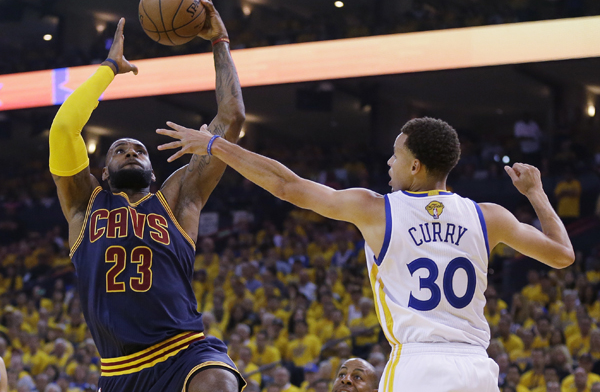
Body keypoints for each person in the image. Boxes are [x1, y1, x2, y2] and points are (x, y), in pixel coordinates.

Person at [157, 116, 575, 392]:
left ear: (414, 166)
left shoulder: (377, 208)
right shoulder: (490, 216)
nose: (389, 161)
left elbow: (287, 185)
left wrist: (215, 144)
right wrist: (536, 193)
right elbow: (561, 255)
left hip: (418, 365)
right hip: (478, 369)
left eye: (396, 154)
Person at [49, 0, 246, 392]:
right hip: (120, 371)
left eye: (138, 150)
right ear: (103, 173)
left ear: (154, 172)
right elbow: (64, 128)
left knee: (217, 383)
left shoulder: (177, 198)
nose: (130, 151)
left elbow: (232, 118)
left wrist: (219, 41)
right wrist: (108, 68)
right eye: (119, 150)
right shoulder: (83, 205)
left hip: (185, 352)